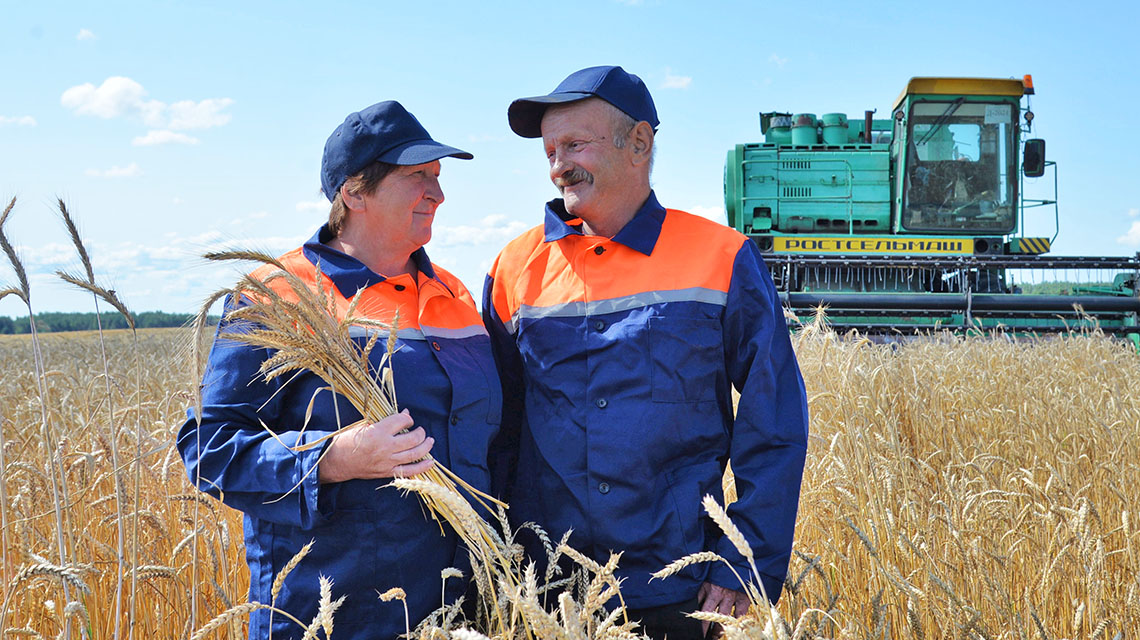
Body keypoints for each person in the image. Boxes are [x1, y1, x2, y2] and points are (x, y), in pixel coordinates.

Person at [483, 66, 809, 640]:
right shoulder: (513, 269)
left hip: (675, 586)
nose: (558, 164)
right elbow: (492, 426)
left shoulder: (722, 257)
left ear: (639, 142)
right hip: (545, 589)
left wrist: (745, 558)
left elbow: (775, 416)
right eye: (550, 149)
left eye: (574, 144)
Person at [178, 100, 500, 639]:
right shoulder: (278, 295)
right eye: (417, 176)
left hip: (458, 612)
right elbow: (210, 450)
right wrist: (332, 458)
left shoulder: (454, 294)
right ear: (354, 192)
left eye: (439, 177)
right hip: (331, 616)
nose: (438, 194)